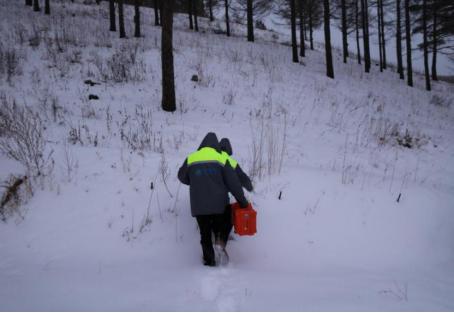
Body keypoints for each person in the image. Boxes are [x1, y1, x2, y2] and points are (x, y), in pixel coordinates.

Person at [178, 132, 249, 266]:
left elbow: (181, 176)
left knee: (204, 234)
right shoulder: (221, 158)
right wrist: (243, 202)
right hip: (219, 205)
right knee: (222, 223)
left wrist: (195, 181)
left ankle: (209, 262)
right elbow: (233, 183)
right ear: (216, 145)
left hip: (198, 206)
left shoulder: (192, 158)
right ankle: (220, 241)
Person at [219, 137, 254, 245]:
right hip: (221, 198)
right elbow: (242, 177)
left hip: (202, 200)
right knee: (228, 215)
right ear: (229, 149)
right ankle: (221, 240)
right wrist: (250, 187)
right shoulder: (230, 161)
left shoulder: (212, 157)